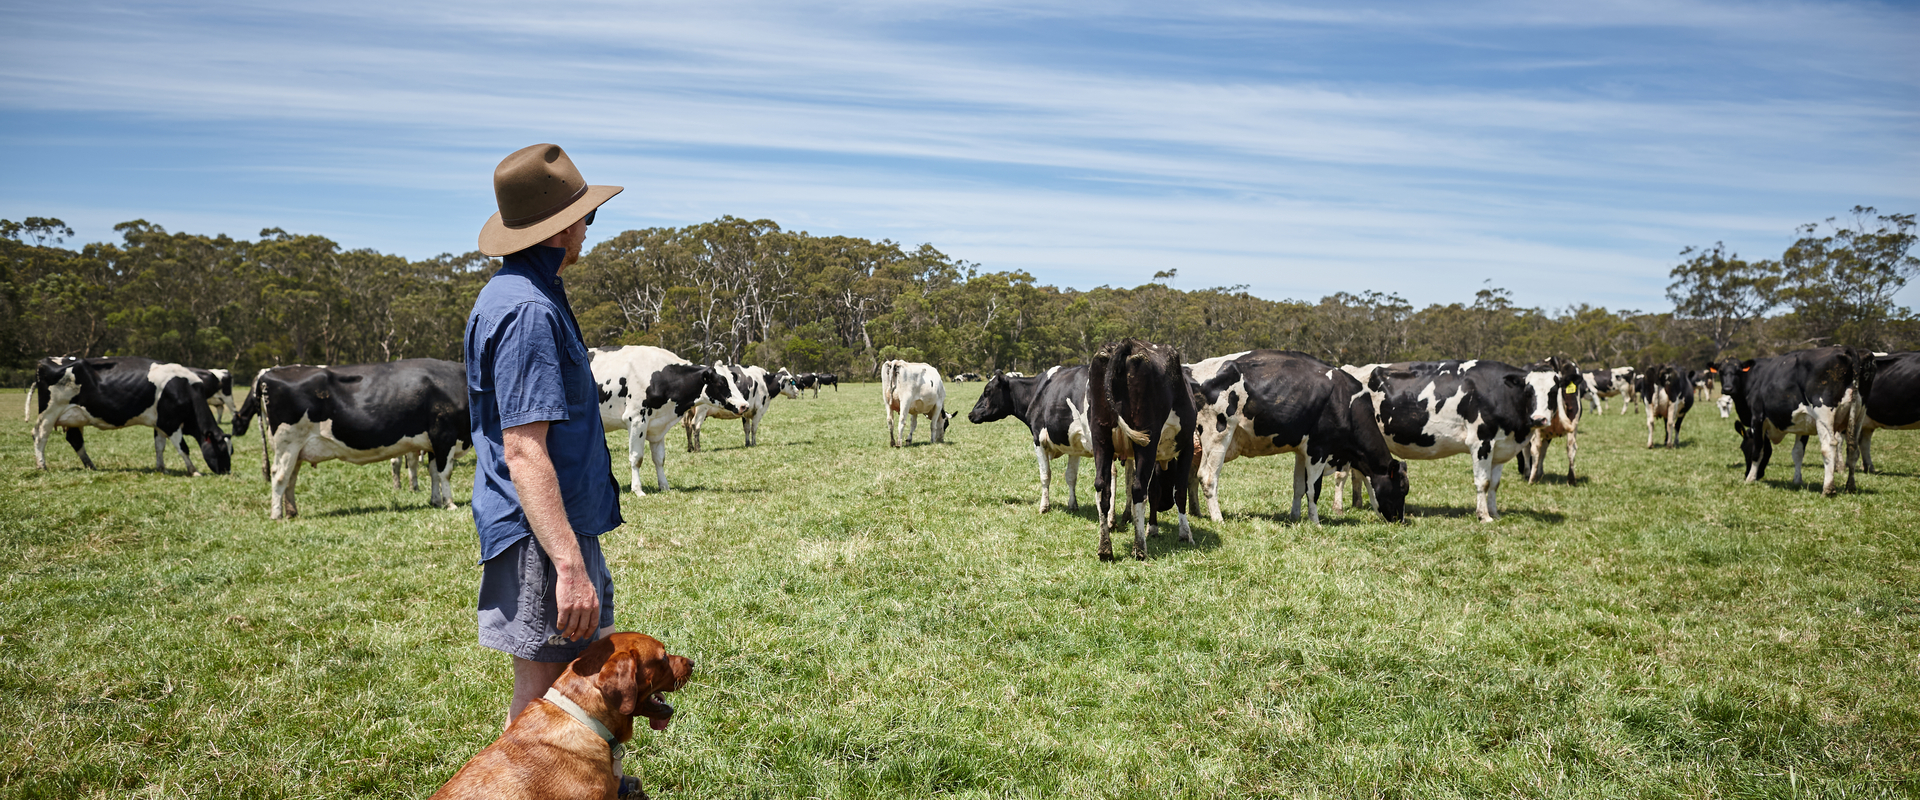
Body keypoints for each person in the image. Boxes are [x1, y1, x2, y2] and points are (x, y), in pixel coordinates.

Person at [464, 143, 626, 725]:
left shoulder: (528, 296)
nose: (588, 228)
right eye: (587, 216)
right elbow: (525, 450)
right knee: (542, 707)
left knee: (569, 696)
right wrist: (569, 566)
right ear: (560, 229)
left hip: (557, 525)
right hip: (544, 536)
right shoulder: (528, 311)